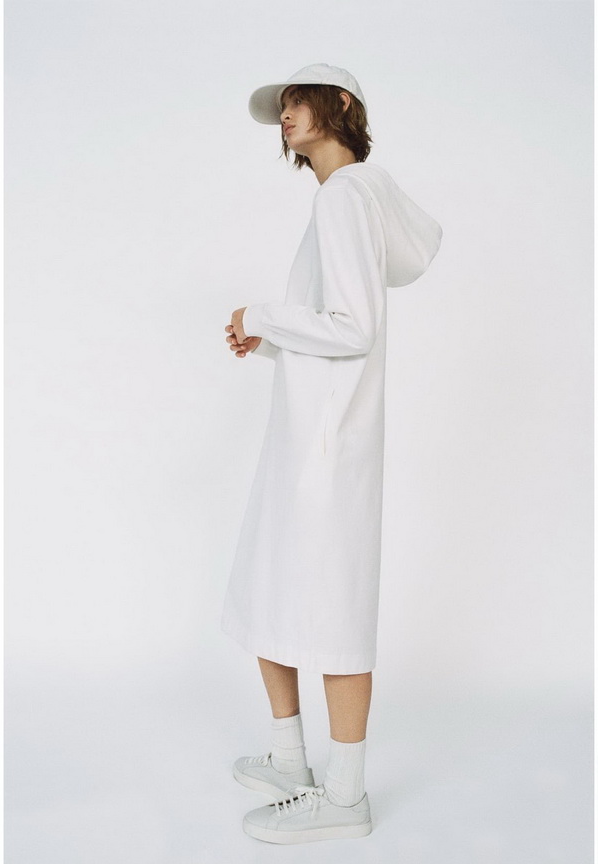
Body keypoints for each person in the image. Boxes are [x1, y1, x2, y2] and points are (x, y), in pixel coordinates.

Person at [220, 63, 443, 844]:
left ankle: (345, 796)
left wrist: (262, 314)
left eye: (297, 100)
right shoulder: (347, 199)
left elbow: (353, 328)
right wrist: (270, 340)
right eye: (279, 107)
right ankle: (291, 761)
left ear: (340, 104)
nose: (284, 114)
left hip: (325, 449)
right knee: (268, 589)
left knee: (332, 609)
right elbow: (335, 330)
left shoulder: (346, 196)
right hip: (309, 437)